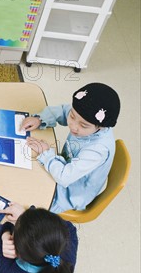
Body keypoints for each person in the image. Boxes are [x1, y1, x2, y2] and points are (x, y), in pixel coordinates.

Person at [22, 82, 120, 213]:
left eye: (83, 126)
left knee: (22, 198)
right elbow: (63, 111)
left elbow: (64, 177)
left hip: (68, 193)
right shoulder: (83, 114)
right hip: (61, 167)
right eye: (72, 116)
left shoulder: (98, 150)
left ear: (100, 127)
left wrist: (46, 153)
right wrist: (40, 119)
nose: (73, 126)